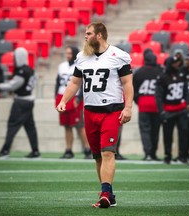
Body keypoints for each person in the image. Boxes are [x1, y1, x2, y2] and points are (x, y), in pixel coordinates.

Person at [56, 22, 133, 208]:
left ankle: (105, 193)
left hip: (112, 110)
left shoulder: (118, 55)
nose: (85, 36)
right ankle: (109, 194)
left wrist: (128, 107)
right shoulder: (82, 57)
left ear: (99, 35)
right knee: (98, 155)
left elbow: (127, 83)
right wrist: (63, 101)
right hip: (90, 111)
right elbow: (74, 83)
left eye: (89, 33)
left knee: (108, 152)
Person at [0, 47, 40, 158]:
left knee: (12, 125)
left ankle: (5, 150)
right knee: (30, 127)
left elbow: (14, 85)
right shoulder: (31, 70)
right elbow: (34, 81)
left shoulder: (21, 71)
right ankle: (35, 151)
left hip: (20, 101)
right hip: (29, 100)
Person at [55, 46, 91, 159]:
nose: (68, 55)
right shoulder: (61, 66)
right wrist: (56, 97)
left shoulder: (80, 66)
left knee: (79, 126)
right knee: (67, 126)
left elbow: (83, 83)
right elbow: (57, 83)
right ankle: (68, 149)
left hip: (75, 98)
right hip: (63, 96)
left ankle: (87, 149)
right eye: (67, 53)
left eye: (70, 53)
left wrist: (79, 98)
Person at [155, 56, 189, 164]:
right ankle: (167, 155)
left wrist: (187, 103)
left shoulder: (182, 74)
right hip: (168, 110)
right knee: (167, 134)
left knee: (184, 132)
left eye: (178, 63)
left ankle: (182, 155)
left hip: (181, 109)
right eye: (175, 63)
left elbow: (186, 91)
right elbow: (159, 95)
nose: (177, 65)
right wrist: (161, 110)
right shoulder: (162, 77)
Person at [133, 50, 162, 161]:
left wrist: (138, 101)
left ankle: (148, 153)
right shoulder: (160, 71)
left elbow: (134, 89)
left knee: (145, 130)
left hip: (144, 104)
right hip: (156, 104)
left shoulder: (140, 72)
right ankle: (153, 153)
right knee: (155, 130)